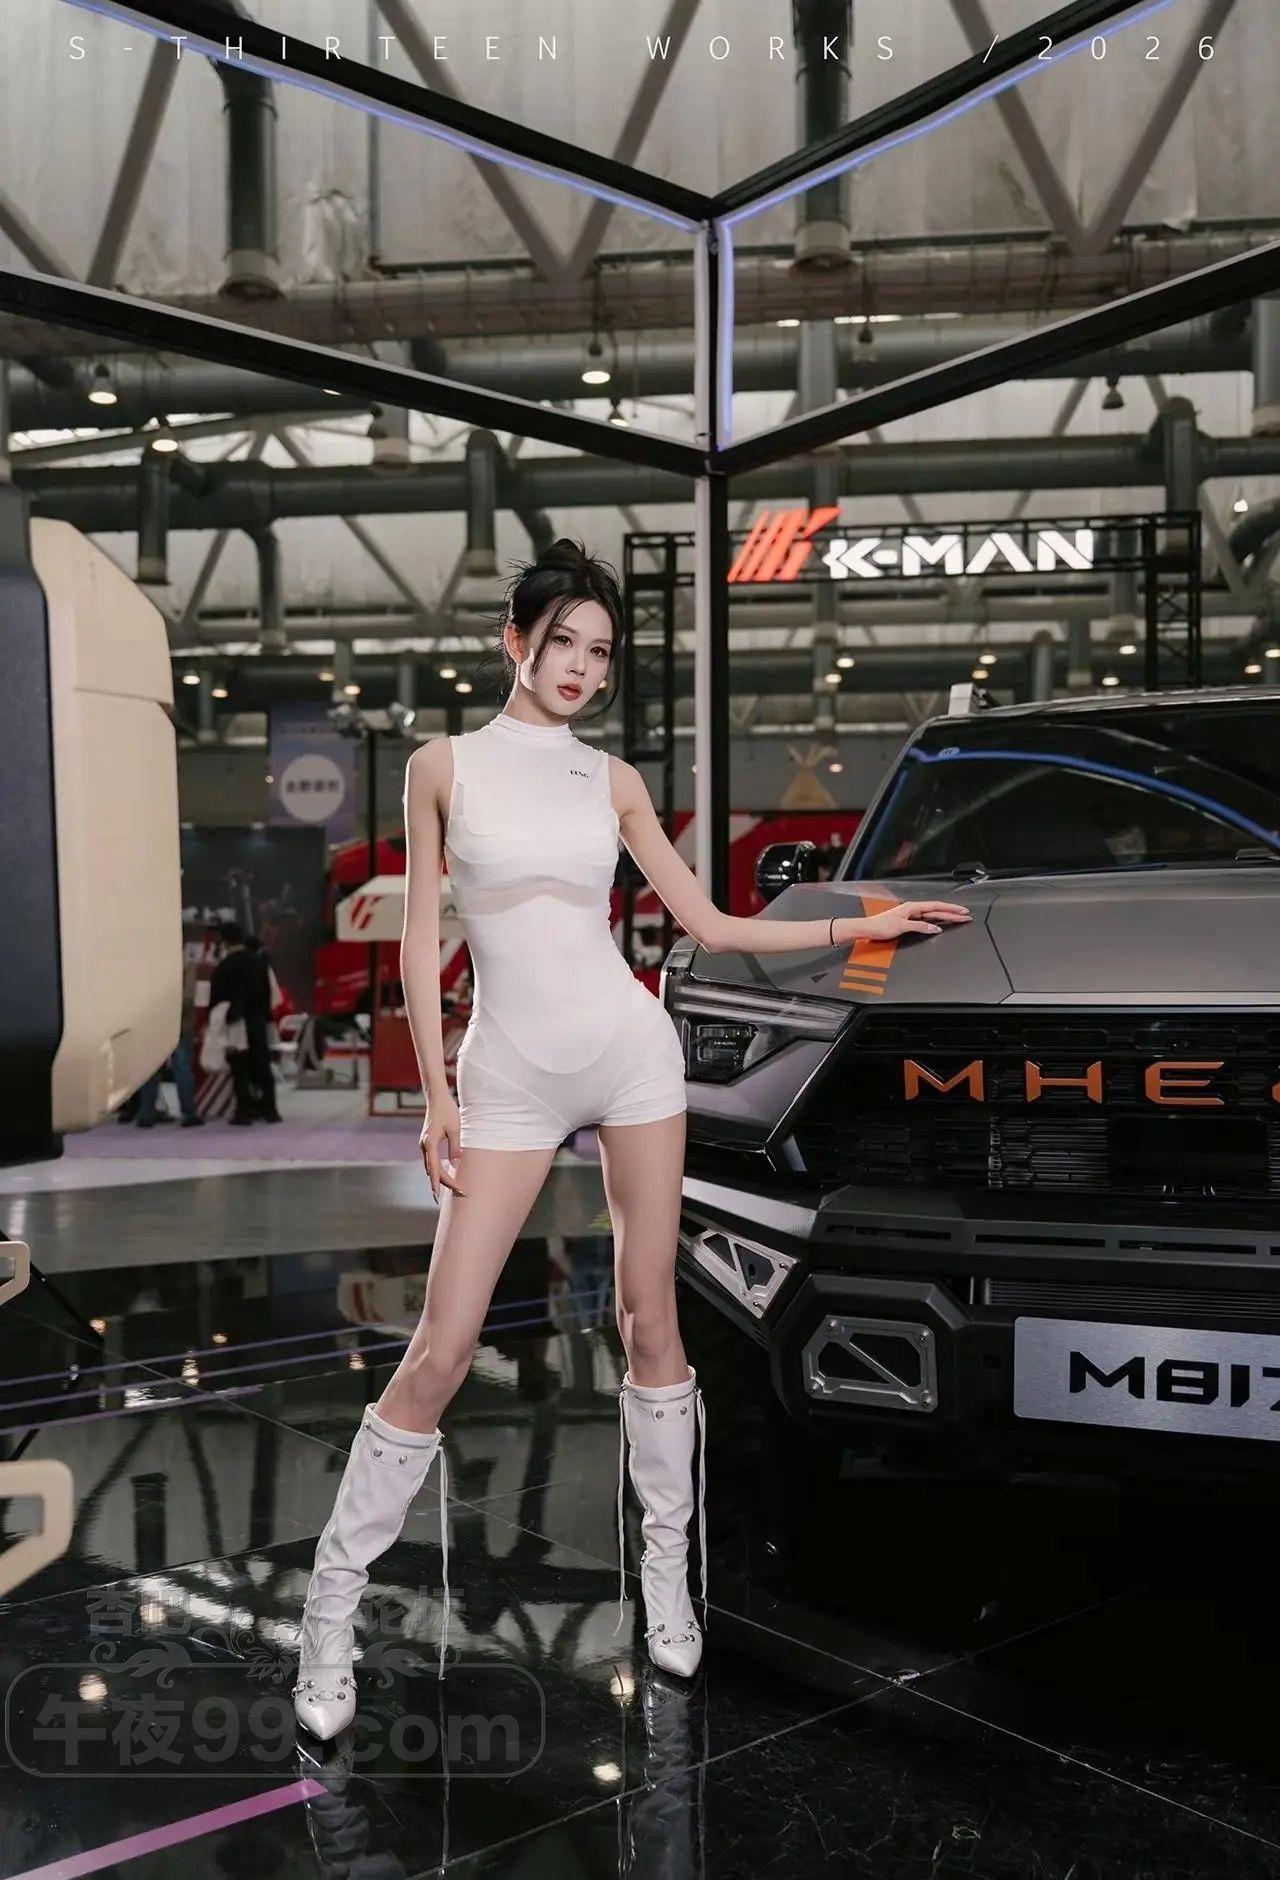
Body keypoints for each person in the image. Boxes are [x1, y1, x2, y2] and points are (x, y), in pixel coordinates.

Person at [291, 538, 972, 1740]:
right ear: (516, 640)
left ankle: (666, 1580)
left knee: (651, 1320)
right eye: (562, 641)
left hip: (629, 1054)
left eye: (599, 651)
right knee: (442, 1347)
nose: (580, 666)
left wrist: (862, 923)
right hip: (504, 1074)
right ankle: (328, 1611)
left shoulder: (610, 781)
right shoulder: (441, 766)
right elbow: (418, 937)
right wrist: (439, 1094)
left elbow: (708, 918)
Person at [210, 920, 279, 1124]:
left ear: (225, 942)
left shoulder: (224, 966)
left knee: (239, 1066)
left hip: (235, 1022)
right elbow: (267, 993)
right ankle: (270, 1109)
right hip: (257, 1019)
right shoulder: (259, 962)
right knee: (262, 1063)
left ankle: (245, 1110)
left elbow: (217, 998)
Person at [136, 950, 203, 1128]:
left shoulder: (148, 966)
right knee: (181, 1068)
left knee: (150, 1070)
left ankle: (146, 1113)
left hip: (152, 1022)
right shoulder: (186, 966)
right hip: (179, 1024)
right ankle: (189, 1113)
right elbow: (188, 998)